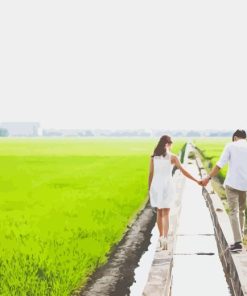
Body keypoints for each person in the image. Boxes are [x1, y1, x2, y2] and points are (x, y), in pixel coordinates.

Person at [148, 135, 201, 250]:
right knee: (166, 213)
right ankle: (165, 238)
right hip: (167, 186)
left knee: (159, 212)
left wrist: (149, 189)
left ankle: (161, 237)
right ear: (168, 144)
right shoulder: (173, 157)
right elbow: (183, 171)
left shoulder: (154, 157)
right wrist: (197, 180)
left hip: (156, 186)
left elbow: (151, 174)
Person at [201, 129, 247, 252]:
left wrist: (208, 177)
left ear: (235, 137)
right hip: (245, 185)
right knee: (241, 211)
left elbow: (220, 164)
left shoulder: (231, 146)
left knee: (233, 212)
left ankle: (238, 243)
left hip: (232, 184)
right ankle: (240, 239)